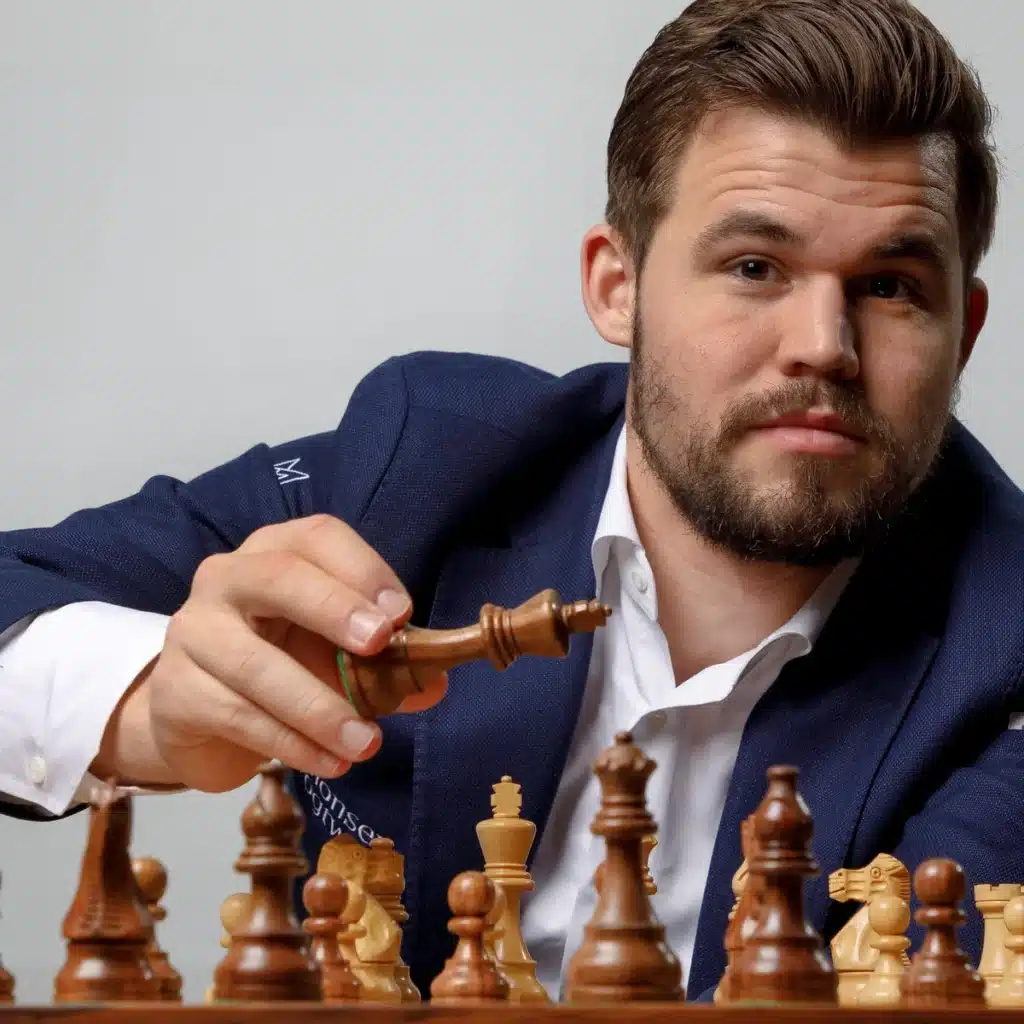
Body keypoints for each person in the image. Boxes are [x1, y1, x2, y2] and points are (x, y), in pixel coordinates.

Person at [1, 0, 1022, 1002]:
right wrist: (150, 708)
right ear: (615, 286)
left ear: (962, 330)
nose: (823, 344)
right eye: (754, 266)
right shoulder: (422, 467)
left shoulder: (1005, 638)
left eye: (889, 285)